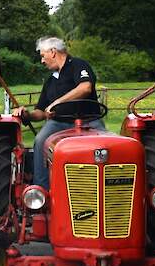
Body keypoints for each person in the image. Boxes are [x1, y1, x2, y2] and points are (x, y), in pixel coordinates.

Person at [12, 36, 104, 189]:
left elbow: (85, 87)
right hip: (58, 123)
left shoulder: (78, 64)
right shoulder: (50, 80)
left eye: (43, 55)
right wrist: (27, 114)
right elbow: (41, 111)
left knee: (109, 146)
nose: (42, 61)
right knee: (40, 140)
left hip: (88, 121)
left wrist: (57, 102)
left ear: (53, 52)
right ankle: (42, 190)